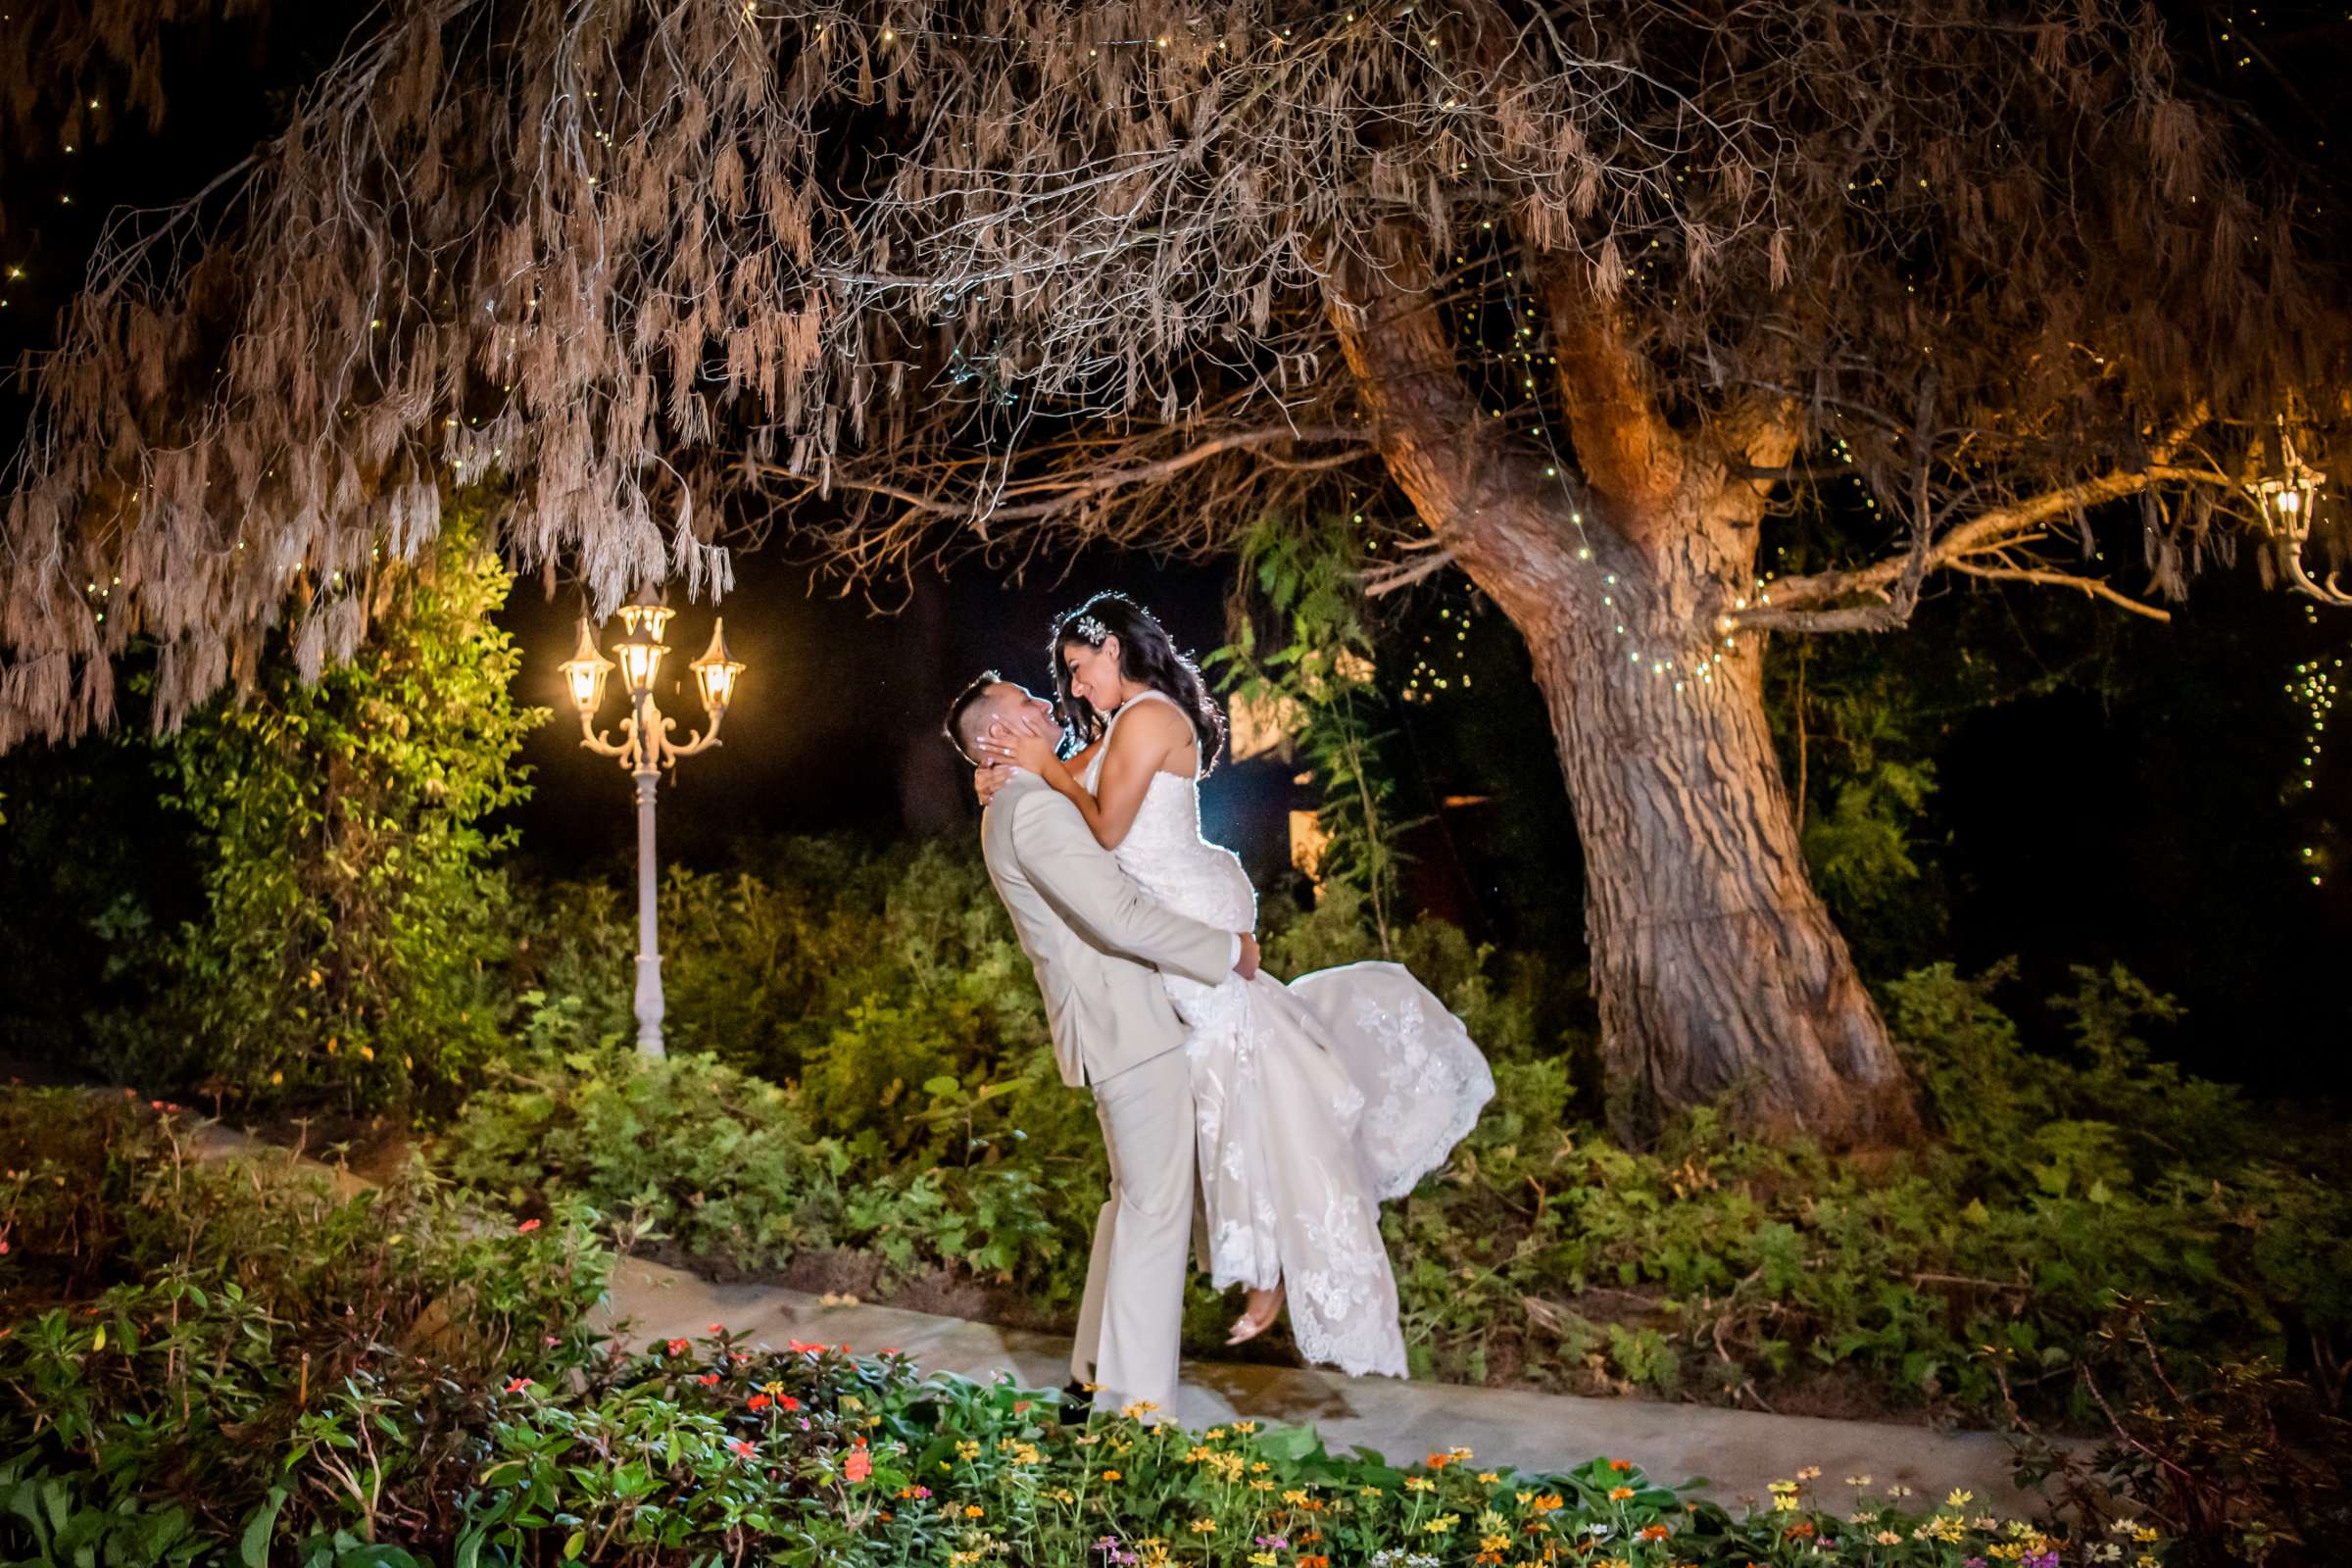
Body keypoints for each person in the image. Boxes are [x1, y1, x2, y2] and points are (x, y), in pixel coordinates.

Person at [971, 592, 1494, 1378]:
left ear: (1114, 650)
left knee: (1238, 1075)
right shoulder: (1119, 727)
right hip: (1180, 920)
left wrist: (1042, 766)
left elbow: (1105, 829)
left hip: (1189, 915)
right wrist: (1010, 774)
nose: (1074, 690)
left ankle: (1267, 1271)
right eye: (1067, 679)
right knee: (1244, 1076)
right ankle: (1262, 1269)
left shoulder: (1148, 718)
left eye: (1079, 670)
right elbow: (1063, 800)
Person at [945, 670, 1261, 1416]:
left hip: (1118, 1026)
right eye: (1026, 704)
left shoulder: (1021, 803)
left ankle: (1094, 1380)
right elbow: (1119, 916)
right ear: (997, 735)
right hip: (1129, 1026)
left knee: (1134, 1206)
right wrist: (1228, 953)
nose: (1045, 704)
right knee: (1155, 1216)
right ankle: (1136, 1416)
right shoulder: (1030, 813)